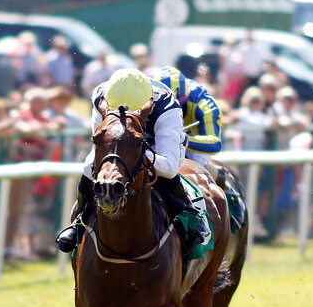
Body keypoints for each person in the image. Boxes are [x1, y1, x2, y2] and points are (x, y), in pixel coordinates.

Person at [56, 68, 208, 255]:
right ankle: (78, 221)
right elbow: (99, 142)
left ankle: (190, 216)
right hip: (117, 143)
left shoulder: (167, 107)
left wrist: (134, 153)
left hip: (154, 144)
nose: (124, 113)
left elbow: (169, 167)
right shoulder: (101, 96)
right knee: (88, 168)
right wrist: (120, 152)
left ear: (148, 106)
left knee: (165, 174)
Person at [154, 66, 245, 232]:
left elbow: (214, 143)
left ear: (180, 94)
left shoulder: (203, 102)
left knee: (192, 162)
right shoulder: (151, 97)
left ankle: (224, 188)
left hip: (192, 144)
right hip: (164, 139)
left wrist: (183, 139)